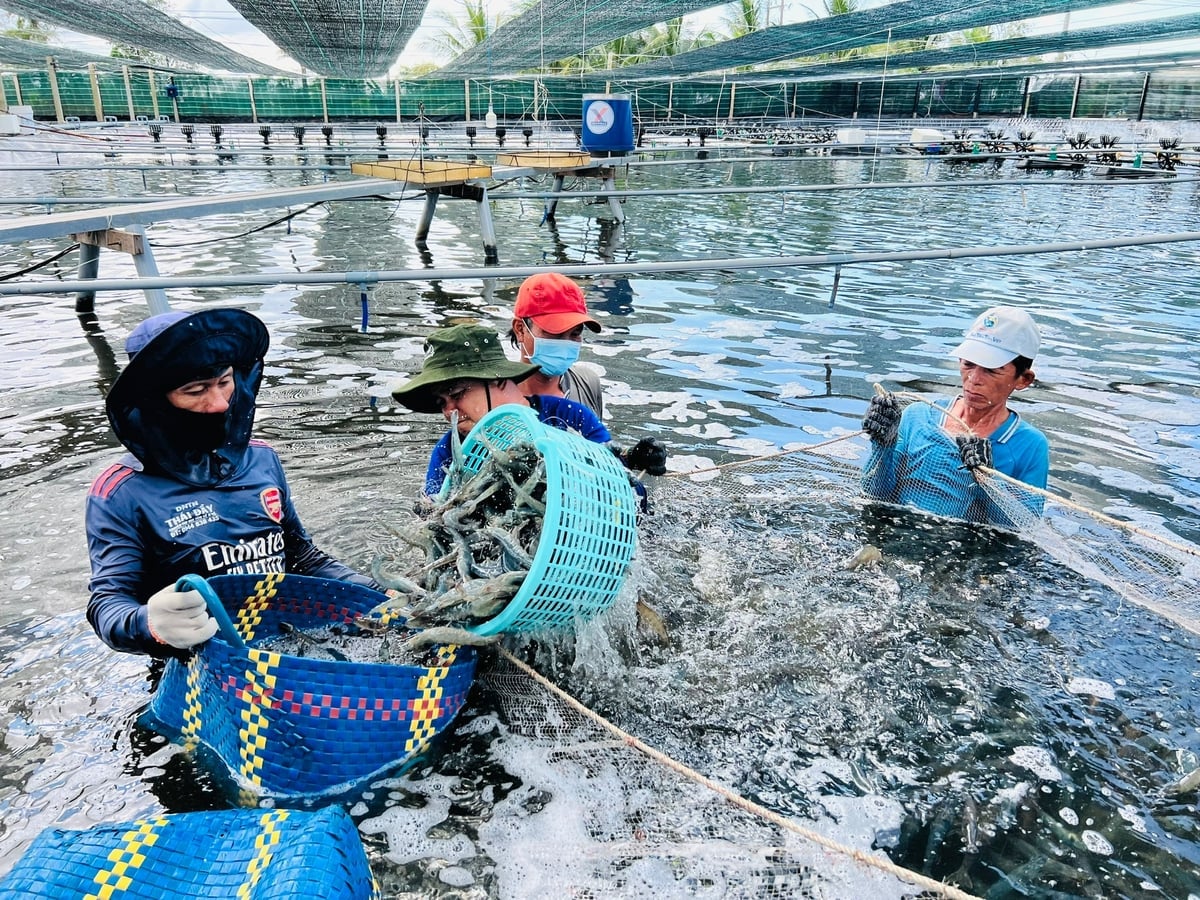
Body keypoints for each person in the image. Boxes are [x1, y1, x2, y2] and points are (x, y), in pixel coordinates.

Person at [85, 308, 376, 659]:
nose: (220, 403)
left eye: (224, 382)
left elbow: (301, 556)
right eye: (195, 391)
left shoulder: (261, 459)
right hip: (201, 657)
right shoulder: (120, 492)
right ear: (155, 403)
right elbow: (108, 604)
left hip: (287, 642)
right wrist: (150, 624)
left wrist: (373, 591)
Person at [391, 323, 666, 497]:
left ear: (497, 380)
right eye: (442, 403)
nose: (449, 410)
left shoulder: (566, 415)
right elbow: (432, 512)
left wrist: (636, 459)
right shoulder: (448, 452)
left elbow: (615, 471)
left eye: (457, 394)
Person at [860, 306, 1050, 526]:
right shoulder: (917, 418)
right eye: (968, 364)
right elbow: (873, 496)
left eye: (991, 370)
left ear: (1023, 379)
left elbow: (1024, 527)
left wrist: (988, 478)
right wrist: (883, 446)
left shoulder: (1029, 445)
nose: (974, 379)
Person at [508, 272, 605, 419]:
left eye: (575, 333)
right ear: (520, 329)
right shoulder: (497, 397)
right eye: (554, 332)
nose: (565, 343)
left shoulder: (587, 383)